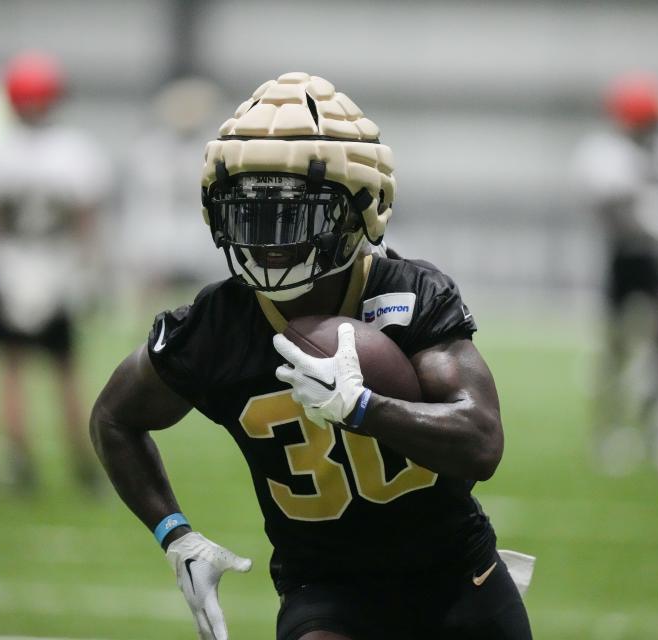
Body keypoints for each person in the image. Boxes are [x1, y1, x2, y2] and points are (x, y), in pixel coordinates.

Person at [90, 72, 533, 640]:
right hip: (324, 588)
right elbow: (114, 418)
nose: (267, 238)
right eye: (248, 214)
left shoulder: (408, 295)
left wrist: (366, 408)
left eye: (292, 214)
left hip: (455, 574)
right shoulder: (217, 325)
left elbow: (481, 443)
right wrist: (175, 534)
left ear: (360, 209)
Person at [0, 52, 110, 490]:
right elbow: (87, 219)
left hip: (10, 267)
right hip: (56, 268)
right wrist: (91, 269)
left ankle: (19, 461)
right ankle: (83, 463)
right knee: (66, 371)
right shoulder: (76, 151)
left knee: (12, 370)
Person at [573, 72, 658, 471]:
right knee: (617, 346)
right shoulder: (605, 154)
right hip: (626, 255)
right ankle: (609, 429)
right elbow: (614, 198)